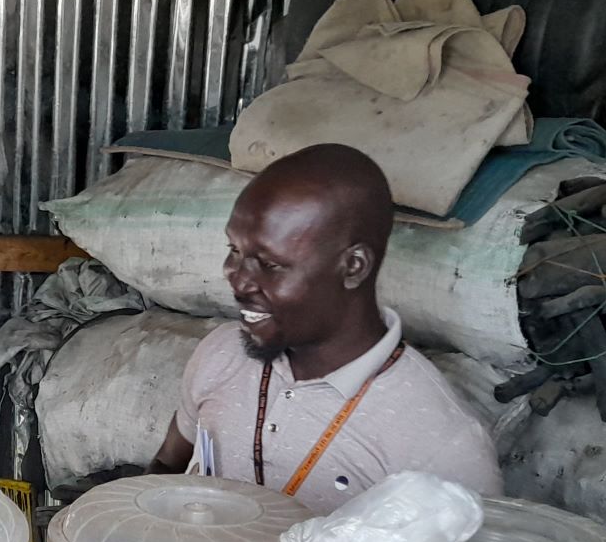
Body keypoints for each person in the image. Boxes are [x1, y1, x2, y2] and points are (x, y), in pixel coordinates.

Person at [150, 143, 502, 511]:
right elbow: (165, 467)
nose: (238, 281)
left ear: (354, 267)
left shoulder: (441, 445)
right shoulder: (222, 353)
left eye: (270, 265)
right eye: (235, 251)